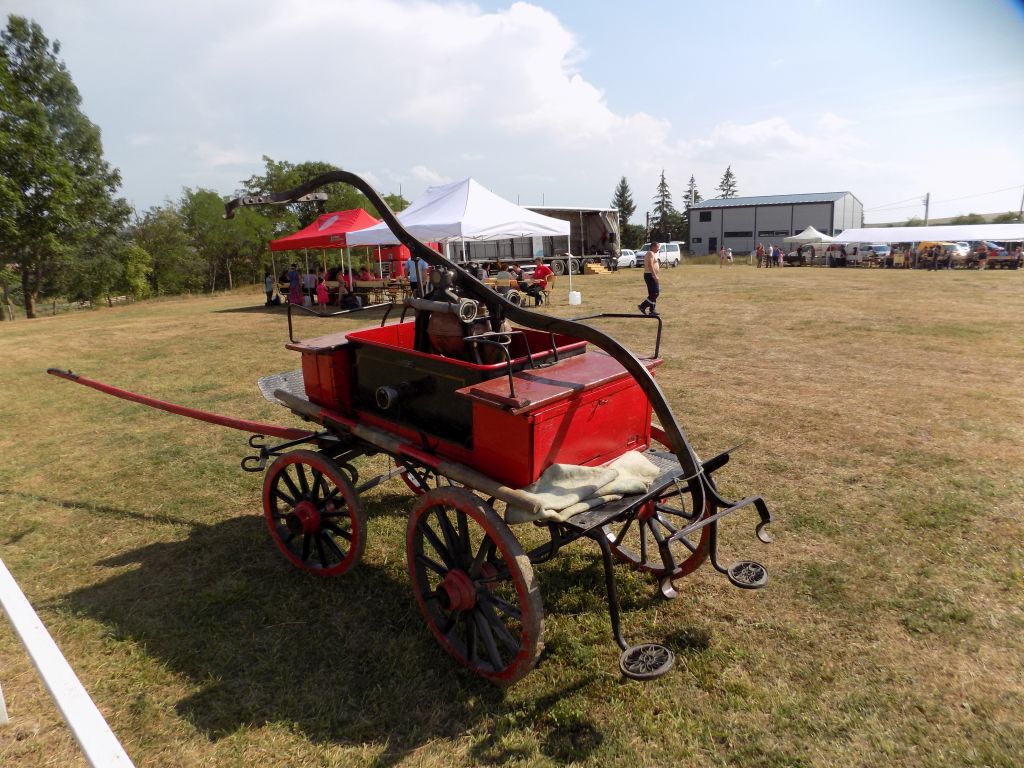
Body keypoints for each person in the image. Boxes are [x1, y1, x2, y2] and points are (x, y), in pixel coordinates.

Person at [638, 242, 661, 316]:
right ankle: (642, 306)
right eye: (657, 247)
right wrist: (654, 276)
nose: (658, 249)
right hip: (650, 275)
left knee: (653, 294)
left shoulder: (653, 254)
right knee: (655, 293)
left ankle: (652, 310)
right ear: (653, 247)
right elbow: (650, 265)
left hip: (652, 275)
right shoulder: (650, 253)